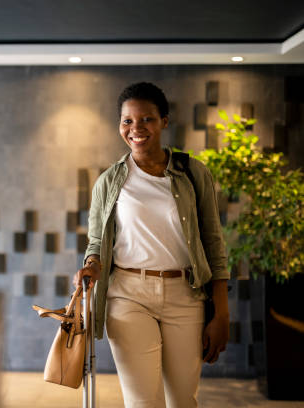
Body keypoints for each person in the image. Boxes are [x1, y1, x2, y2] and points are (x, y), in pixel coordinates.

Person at [72, 82, 230, 408]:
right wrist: (91, 264)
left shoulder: (192, 172)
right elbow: (97, 240)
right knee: (144, 402)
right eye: (127, 121)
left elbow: (213, 240)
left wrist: (222, 313)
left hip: (185, 295)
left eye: (146, 119)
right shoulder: (109, 181)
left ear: (164, 122)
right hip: (128, 294)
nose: (136, 129)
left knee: (183, 400)